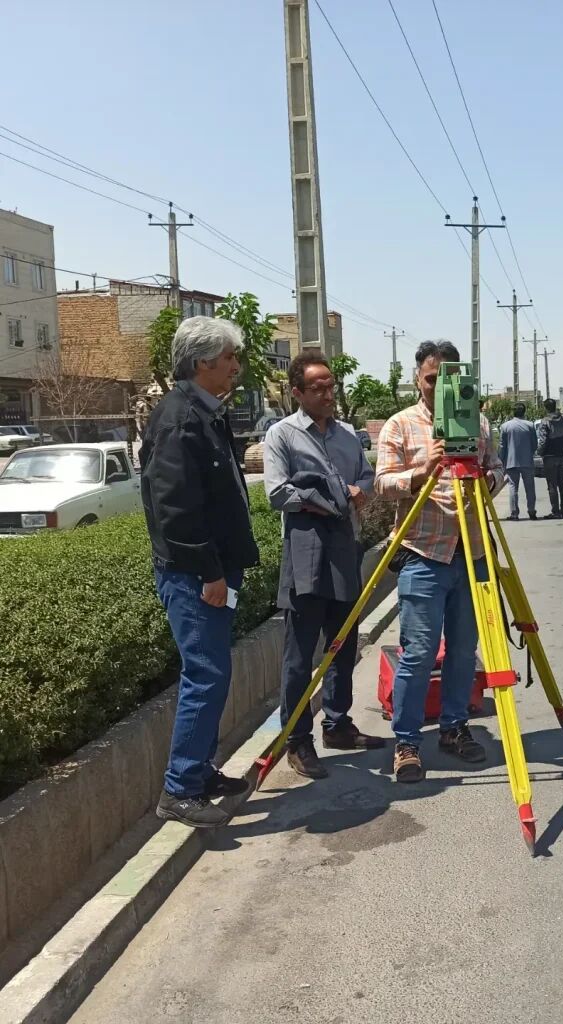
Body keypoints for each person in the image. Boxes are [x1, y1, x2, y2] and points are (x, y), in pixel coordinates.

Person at [140, 316, 259, 829]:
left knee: (214, 673)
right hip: (194, 576)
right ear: (203, 362)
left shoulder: (206, 413)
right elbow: (175, 510)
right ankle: (180, 788)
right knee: (205, 675)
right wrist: (210, 572)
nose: (236, 366)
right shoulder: (179, 419)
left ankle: (202, 773)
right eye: (230, 357)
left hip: (212, 571)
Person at [375, 340, 504, 783]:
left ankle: (454, 728)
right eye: (432, 379)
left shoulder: (480, 422)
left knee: (465, 651)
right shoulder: (400, 425)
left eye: (449, 379)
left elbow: (498, 471)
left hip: (471, 553)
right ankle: (407, 741)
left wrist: (488, 476)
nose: (439, 388)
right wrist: (421, 471)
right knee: (419, 652)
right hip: (423, 554)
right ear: (418, 378)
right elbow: (383, 485)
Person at [262, 351, 383, 780]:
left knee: (343, 643)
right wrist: (319, 500)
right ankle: (297, 739)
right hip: (305, 550)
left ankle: (338, 724)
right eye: (318, 388)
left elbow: (368, 477)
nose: (328, 394)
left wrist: (356, 491)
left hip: (344, 547)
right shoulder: (282, 435)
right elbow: (275, 493)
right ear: (297, 392)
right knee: (300, 654)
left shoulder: (349, 435)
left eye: (331, 386)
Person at [536, 398, 563, 519]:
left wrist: (540, 452)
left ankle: (555, 512)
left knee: (552, 485)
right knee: (562, 484)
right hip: (562, 457)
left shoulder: (545, 422)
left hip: (549, 458)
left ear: (546, 408)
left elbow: (543, 441)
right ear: (555, 406)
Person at [499, 402, 538, 521]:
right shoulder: (530, 425)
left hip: (511, 462)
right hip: (527, 462)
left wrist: (501, 460)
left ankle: (514, 513)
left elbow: (502, 446)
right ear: (524, 412)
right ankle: (531, 511)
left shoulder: (505, 426)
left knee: (512, 487)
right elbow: (534, 444)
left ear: (513, 412)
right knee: (530, 487)